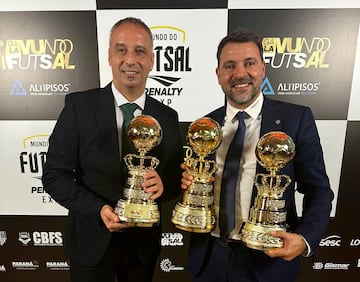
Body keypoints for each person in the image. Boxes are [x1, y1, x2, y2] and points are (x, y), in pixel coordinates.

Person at [180, 29, 334, 282]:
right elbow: (194, 183)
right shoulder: (203, 126)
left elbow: (319, 189)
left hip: (268, 262)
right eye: (229, 65)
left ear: (262, 69)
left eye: (249, 63)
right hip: (209, 260)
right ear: (218, 75)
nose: (240, 73)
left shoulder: (296, 119)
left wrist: (305, 239)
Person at [42, 17, 183, 282]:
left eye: (140, 51)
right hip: (91, 243)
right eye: (121, 50)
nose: (130, 60)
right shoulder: (78, 108)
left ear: (151, 60)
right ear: (109, 56)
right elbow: (54, 175)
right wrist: (98, 209)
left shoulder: (168, 116)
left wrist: (164, 185)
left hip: (143, 249)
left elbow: (176, 179)